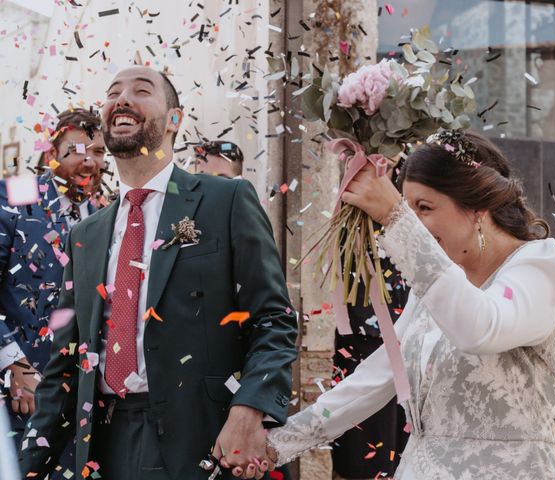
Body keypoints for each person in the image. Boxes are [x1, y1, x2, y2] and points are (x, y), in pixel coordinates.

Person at [19, 66, 298, 480]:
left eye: (141, 90)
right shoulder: (86, 235)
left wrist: (249, 409)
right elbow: (64, 368)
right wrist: (23, 467)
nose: (122, 98)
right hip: (103, 447)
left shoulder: (227, 200)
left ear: (174, 120)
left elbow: (274, 320)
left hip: (204, 441)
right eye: (113, 92)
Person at [265, 130, 555, 479]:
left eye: (425, 208)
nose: (415, 224)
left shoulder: (541, 266)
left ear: (478, 208)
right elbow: (376, 378)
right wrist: (276, 443)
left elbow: (479, 329)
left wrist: (396, 219)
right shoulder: (439, 284)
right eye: (409, 208)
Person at [0, 108, 105, 477]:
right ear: (51, 155)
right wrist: (15, 364)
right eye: (77, 149)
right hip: (16, 394)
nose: (90, 160)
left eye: (99, 151)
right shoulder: (16, 192)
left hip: (78, 402)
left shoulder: (103, 215)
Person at [331, 159, 409, 480]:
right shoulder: (345, 164)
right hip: (357, 329)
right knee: (359, 450)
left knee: (396, 441)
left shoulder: (411, 170)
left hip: (400, 325)